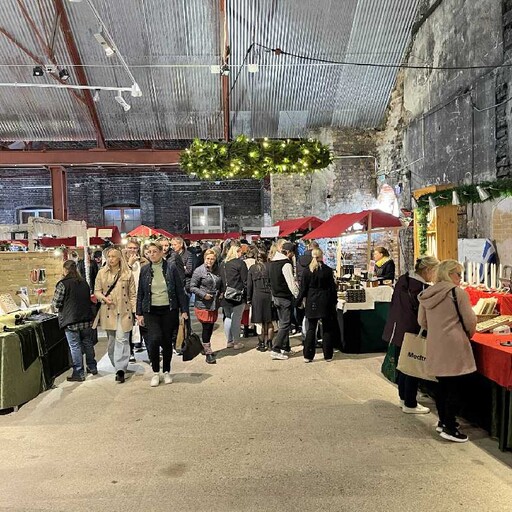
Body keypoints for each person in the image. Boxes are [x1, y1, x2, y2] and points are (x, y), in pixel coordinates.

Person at [418, 259, 477, 443]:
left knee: (442, 386)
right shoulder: (457, 293)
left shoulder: (426, 294)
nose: (460, 278)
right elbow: (470, 320)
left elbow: (422, 321)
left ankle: (443, 422)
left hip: (436, 344)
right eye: (458, 274)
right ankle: (450, 428)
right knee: (455, 388)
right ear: (449, 274)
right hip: (454, 345)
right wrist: (467, 332)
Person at [382, 255, 439, 413]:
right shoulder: (422, 288)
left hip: (397, 328)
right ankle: (410, 403)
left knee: (403, 365)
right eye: (435, 271)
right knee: (412, 367)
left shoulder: (403, 279)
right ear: (427, 270)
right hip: (412, 331)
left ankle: (403, 398)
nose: (436, 275)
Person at [136, 241, 189, 387]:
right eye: (149, 252)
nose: (152, 254)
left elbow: (179, 289)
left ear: (161, 252)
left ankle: (166, 370)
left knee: (166, 341)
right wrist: (139, 313)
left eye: (154, 251)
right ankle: (155, 371)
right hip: (151, 310)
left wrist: (184, 310)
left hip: (168, 309)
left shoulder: (170, 267)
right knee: (153, 340)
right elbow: (140, 292)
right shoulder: (145, 269)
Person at [94, 248, 136, 384]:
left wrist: (135, 312)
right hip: (108, 310)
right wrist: (104, 299)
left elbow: (132, 294)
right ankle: (116, 363)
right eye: (109, 256)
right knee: (112, 341)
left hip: (124, 311)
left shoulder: (127, 273)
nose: (111, 259)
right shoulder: (102, 273)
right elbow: (97, 291)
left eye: (113, 256)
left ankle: (120, 369)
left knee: (122, 339)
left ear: (119, 258)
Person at [52, 260, 96, 382]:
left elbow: (56, 303)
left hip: (70, 320)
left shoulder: (63, 284)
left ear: (65, 270)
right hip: (86, 318)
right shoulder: (84, 283)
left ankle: (79, 372)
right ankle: (92, 367)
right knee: (87, 342)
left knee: (75, 346)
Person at [296, 248, 337, 362]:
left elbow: (303, 289)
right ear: (321, 256)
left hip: (312, 300)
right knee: (327, 329)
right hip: (326, 301)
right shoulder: (328, 270)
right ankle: (328, 355)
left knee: (311, 329)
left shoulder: (307, 271)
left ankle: (308, 355)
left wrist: (298, 302)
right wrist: (334, 301)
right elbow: (332, 289)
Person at [190, 249, 222, 364]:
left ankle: (205, 345)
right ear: (204, 258)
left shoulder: (217, 270)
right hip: (203, 304)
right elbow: (192, 287)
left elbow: (220, 282)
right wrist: (203, 295)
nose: (210, 261)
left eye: (212, 259)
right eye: (208, 258)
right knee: (206, 327)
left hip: (214, 303)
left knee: (210, 326)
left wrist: (221, 292)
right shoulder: (199, 271)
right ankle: (208, 351)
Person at [268, 241, 299, 360]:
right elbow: (291, 283)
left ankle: (286, 347)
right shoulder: (286, 264)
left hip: (276, 296)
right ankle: (276, 348)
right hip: (285, 297)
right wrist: (297, 296)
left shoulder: (272, 262)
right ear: (289, 253)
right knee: (285, 324)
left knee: (282, 323)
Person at [124, 239, 149, 360]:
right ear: (126, 248)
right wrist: (129, 264)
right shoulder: (122, 262)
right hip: (127, 298)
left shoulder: (144, 262)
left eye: (135, 248)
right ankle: (130, 352)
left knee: (144, 324)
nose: (132, 250)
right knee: (128, 325)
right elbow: (121, 278)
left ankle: (149, 350)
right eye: (130, 248)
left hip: (142, 296)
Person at [220, 245, 247, 350]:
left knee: (228, 317)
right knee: (236, 318)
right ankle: (236, 342)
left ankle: (229, 341)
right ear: (238, 252)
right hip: (237, 294)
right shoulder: (240, 263)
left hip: (225, 294)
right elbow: (245, 280)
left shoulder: (223, 264)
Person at [247, 250, 274, 352]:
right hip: (269, 295)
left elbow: (249, 285)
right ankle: (270, 342)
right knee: (270, 320)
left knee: (259, 322)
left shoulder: (252, 268)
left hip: (257, 296)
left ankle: (261, 343)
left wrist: (248, 298)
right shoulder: (270, 267)